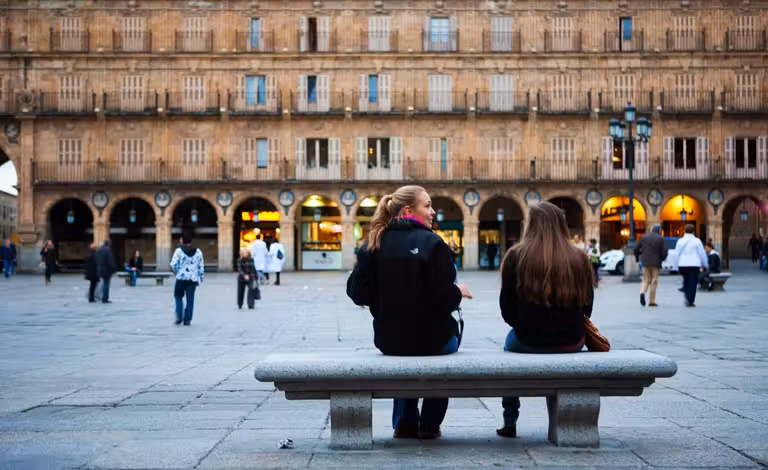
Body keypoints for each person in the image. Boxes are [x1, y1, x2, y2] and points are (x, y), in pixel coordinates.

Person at [346, 185, 472, 440]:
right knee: (438, 348)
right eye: (427, 205)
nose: (433, 211)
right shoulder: (434, 243)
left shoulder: (374, 242)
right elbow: (442, 299)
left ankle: (404, 422)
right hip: (435, 341)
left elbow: (356, 292)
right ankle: (429, 424)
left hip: (389, 340)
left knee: (406, 347)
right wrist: (458, 291)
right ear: (408, 210)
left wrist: (386, 298)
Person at [496, 201, 594, 438]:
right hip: (571, 340)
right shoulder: (580, 258)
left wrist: (524, 325)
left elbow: (506, 309)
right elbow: (587, 308)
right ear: (562, 225)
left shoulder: (515, 255)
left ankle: (510, 420)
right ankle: (564, 419)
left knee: (509, 356)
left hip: (527, 339)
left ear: (532, 225)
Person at [170, 230, 205, 325]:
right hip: (192, 279)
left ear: (182, 240)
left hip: (181, 278)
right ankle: (188, 319)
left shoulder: (179, 251)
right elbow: (201, 267)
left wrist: (178, 272)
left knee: (178, 296)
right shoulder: (198, 252)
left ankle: (179, 315)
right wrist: (201, 277)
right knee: (190, 299)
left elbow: (173, 264)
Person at [673, 225, 708, 307]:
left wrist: (675, 266)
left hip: (682, 264)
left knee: (686, 279)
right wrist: (705, 264)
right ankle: (690, 299)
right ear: (693, 231)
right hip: (694, 264)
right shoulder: (697, 241)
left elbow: (676, 254)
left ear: (685, 231)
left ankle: (686, 291)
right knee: (693, 282)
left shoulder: (680, 241)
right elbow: (702, 254)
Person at [634, 224, 667, 307]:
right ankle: (652, 301)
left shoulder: (644, 237)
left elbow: (636, 249)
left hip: (645, 262)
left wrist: (637, 257)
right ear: (659, 230)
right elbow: (663, 252)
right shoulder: (660, 239)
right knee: (654, 281)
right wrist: (662, 259)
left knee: (645, 279)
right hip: (656, 263)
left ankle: (642, 292)